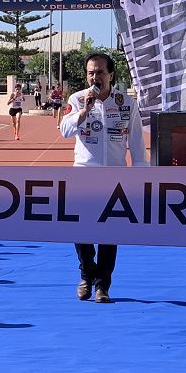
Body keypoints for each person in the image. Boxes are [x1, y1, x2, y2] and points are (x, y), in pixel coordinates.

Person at [59, 53, 148, 304]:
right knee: (81, 228)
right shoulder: (77, 99)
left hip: (115, 176)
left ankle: (102, 285)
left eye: (99, 72)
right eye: (90, 72)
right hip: (84, 173)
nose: (94, 77)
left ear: (111, 75)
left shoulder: (126, 102)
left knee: (110, 231)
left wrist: (140, 174)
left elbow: (137, 143)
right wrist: (84, 111)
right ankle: (86, 272)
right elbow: (65, 132)